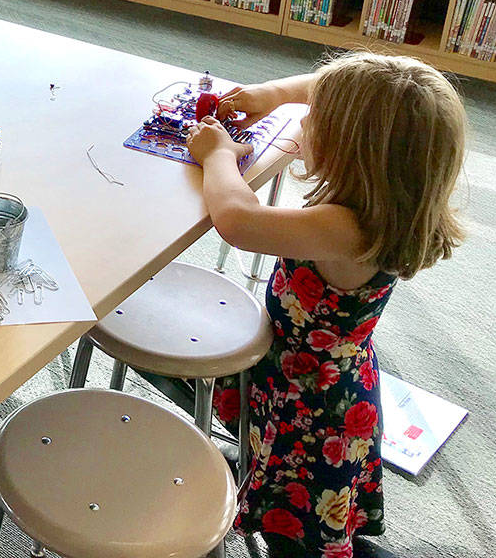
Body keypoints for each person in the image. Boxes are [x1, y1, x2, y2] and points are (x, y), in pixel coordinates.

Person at [186, 51, 467, 558]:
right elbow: (325, 84)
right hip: (328, 379)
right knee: (309, 515)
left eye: (317, 116)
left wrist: (218, 155)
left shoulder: (343, 227)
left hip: (310, 407)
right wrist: (271, 94)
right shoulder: (385, 206)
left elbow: (236, 219)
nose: (304, 116)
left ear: (351, 151)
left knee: (295, 536)